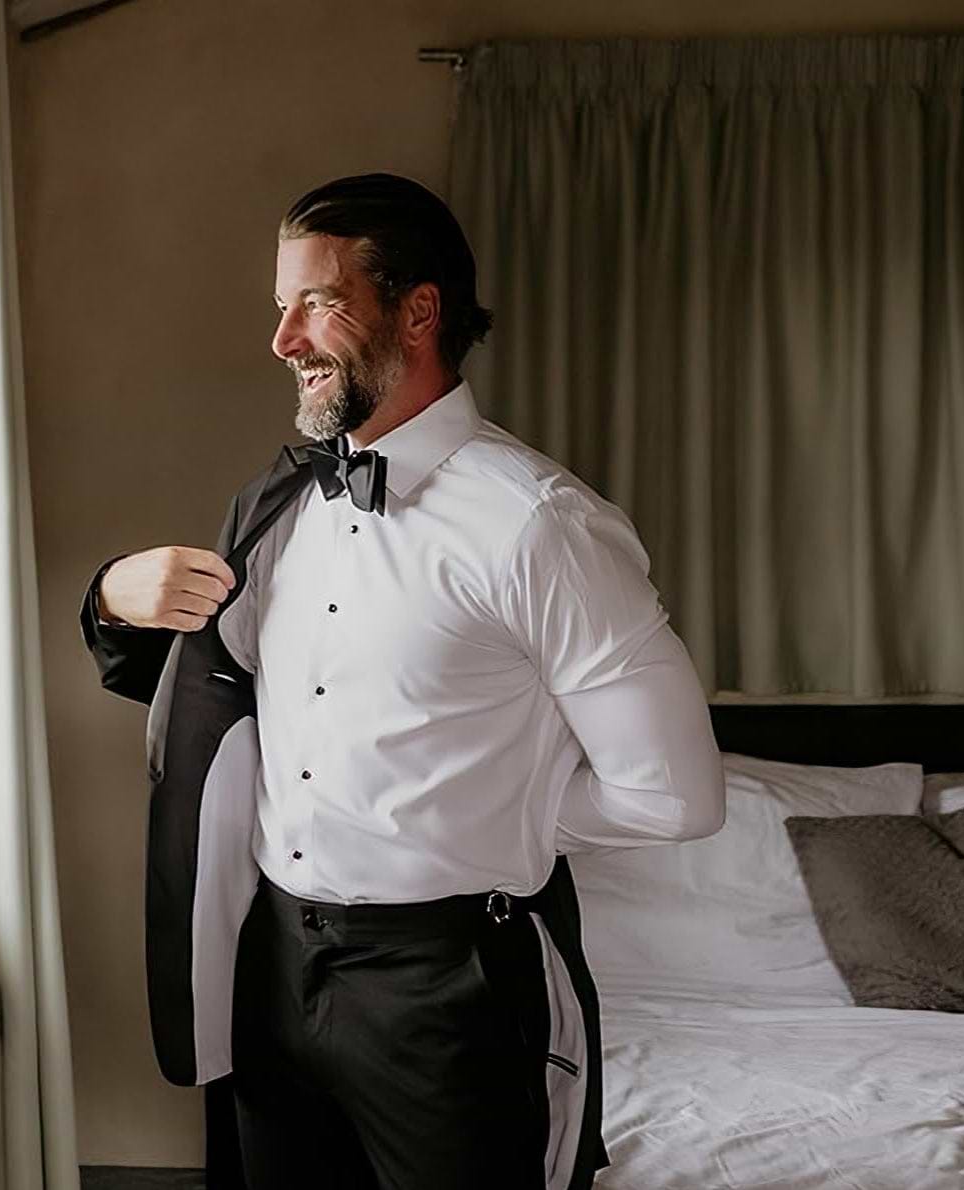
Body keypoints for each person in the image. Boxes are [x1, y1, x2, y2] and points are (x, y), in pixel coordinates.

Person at [80, 172, 725, 1190]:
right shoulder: (277, 502)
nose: (283, 340)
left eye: (317, 303)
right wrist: (113, 596)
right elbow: (200, 688)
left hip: (451, 991)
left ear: (418, 310)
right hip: (274, 970)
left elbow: (677, 794)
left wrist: (487, 809)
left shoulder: (539, 523)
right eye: (279, 307)